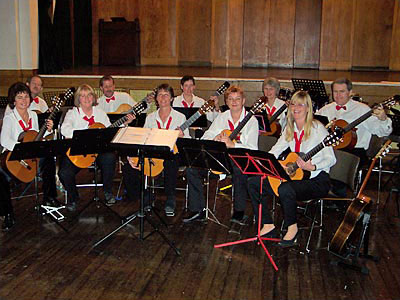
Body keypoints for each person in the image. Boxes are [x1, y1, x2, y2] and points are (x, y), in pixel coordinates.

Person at [247, 90, 336, 247]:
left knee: (285, 189)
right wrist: (266, 163)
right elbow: (275, 150)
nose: (296, 107)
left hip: (317, 179)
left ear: (308, 108)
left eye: (301, 104)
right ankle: (267, 225)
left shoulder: (318, 129)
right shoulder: (290, 128)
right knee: (254, 182)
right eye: (293, 103)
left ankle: (292, 228)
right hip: (298, 176)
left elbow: (331, 159)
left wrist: (313, 166)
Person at [183, 85, 259, 223]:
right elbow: (206, 136)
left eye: (237, 99)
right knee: (191, 169)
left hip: (239, 159)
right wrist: (215, 137)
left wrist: (234, 145)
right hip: (219, 158)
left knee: (239, 170)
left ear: (243, 101)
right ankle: (197, 210)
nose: (234, 102)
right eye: (230, 99)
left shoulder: (251, 121)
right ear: (227, 102)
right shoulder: (222, 117)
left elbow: (253, 149)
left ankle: (239, 211)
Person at [58, 84, 134, 211]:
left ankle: (107, 191)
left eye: (89, 95)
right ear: (78, 99)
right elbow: (65, 130)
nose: (86, 98)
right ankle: (73, 198)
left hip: (98, 151)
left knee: (110, 158)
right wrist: (85, 134)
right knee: (64, 173)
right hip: (79, 152)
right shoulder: (72, 113)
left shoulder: (100, 113)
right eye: (82, 96)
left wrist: (124, 124)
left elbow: (110, 131)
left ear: (93, 98)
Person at [122, 83, 189, 217]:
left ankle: (170, 198)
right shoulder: (150, 117)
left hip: (172, 152)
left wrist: (181, 136)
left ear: (171, 98)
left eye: (166, 95)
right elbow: (145, 138)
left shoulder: (180, 117)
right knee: (131, 166)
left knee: (171, 161)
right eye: (160, 95)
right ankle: (145, 195)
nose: (163, 97)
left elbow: (186, 141)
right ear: (156, 99)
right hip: (153, 151)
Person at [0, 82, 54, 230]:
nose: (23, 101)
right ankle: (7, 214)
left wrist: (48, 131)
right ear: (13, 100)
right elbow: (4, 140)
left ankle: (49, 199)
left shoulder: (33, 116)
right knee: (0, 178)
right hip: (13, 157)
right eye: (19, 97)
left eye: (26, 97)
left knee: (48, 158)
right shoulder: (9, 119)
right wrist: (21, 150)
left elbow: (35, 137)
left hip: (31, 156)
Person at [317, 78, 392, 166]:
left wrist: (383, 119)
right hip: (331, 151)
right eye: (335, 91)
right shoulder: (325, 110)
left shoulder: (363, 110)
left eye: (342, 91)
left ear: (350, 92)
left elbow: (382, 132)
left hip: (354, 153)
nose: (338, 95)